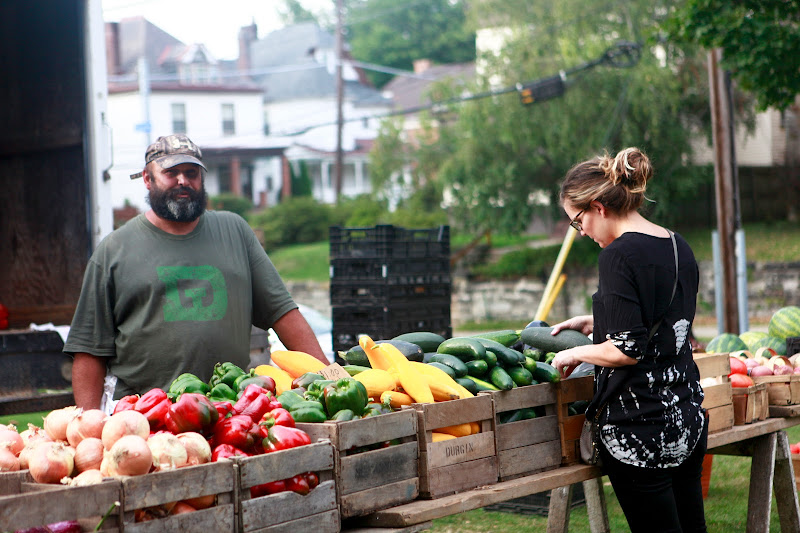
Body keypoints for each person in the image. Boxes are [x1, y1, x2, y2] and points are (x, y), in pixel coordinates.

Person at [64, 134, 327, 411]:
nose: (182, 181)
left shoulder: (234, 232)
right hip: (145, 416)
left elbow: (283, 313)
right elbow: (89, 350)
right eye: (171, 172)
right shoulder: (114, 250)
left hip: (231, 410)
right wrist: (90, 426)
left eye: (191, 173)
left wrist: (329, 379)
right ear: (147, 178)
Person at [550, 147, 707, 532]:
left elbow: (626, 350)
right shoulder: (676, 244)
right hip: (686, 420)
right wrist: (598, 321)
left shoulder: (618, 255)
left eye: (577, 221)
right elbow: (668, 323)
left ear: (598, 206)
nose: (582, 231)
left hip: (640, 431)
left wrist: (573, 351)